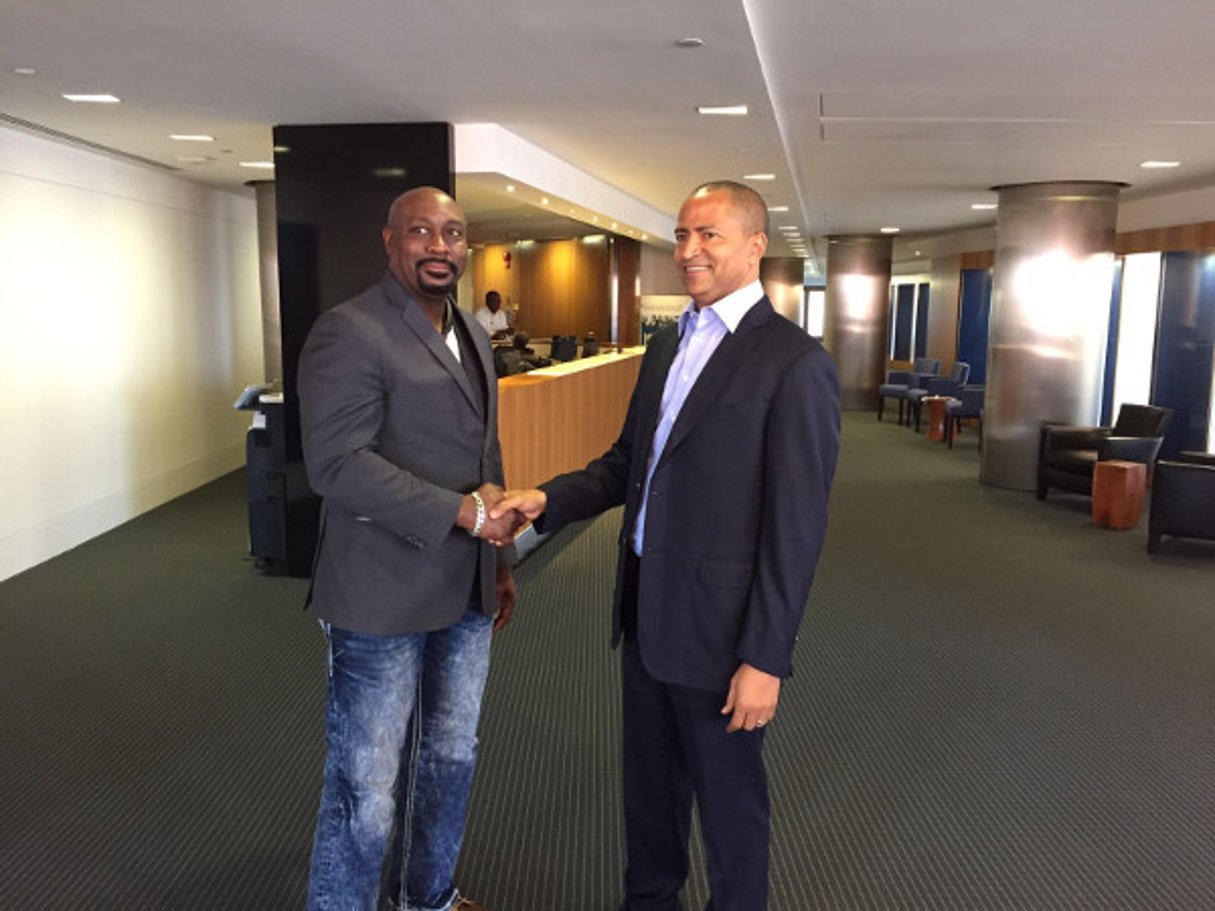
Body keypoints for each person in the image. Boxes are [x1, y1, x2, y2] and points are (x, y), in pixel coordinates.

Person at [491, 180, 840, 910]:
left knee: (727, 807)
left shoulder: (792, 363)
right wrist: (549, 499)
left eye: (708, 235)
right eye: (682, 235)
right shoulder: (666, 345)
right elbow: (628, 465)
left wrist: (765, 657)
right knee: (648, 799)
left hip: (722, 632)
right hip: (646, 612)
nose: (688, 251)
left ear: (754, 246)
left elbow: (795, 528)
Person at [297, 186, 518, 911]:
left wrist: (500, 562)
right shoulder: (349, 330)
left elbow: (485, 453)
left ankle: (429, 895)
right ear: (389, 241)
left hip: (465, 587)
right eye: (421, 231)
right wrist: (460, 512)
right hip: (379, 592)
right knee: (367, 783)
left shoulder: (474, 333)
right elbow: (336, 463)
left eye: (452, 233)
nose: (439, 246)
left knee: (451, 757)